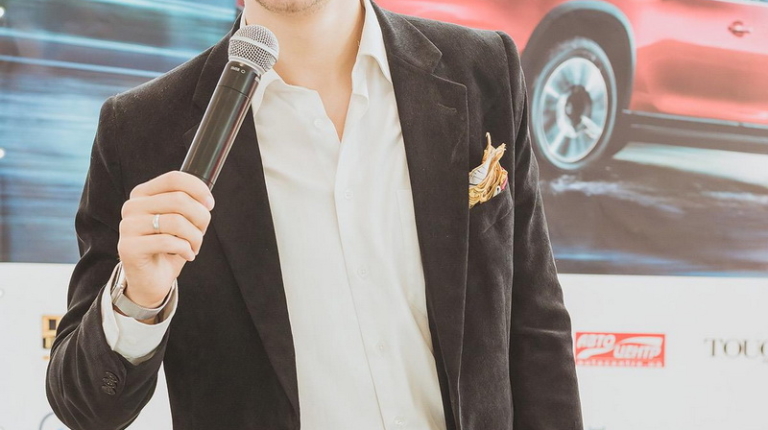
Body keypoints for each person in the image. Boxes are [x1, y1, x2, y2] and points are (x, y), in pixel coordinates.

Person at [46, 0, 583, 428]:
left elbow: (535, 325)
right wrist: (139, 300)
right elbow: (86, 407)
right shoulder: (140, 131)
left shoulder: (483, 70)